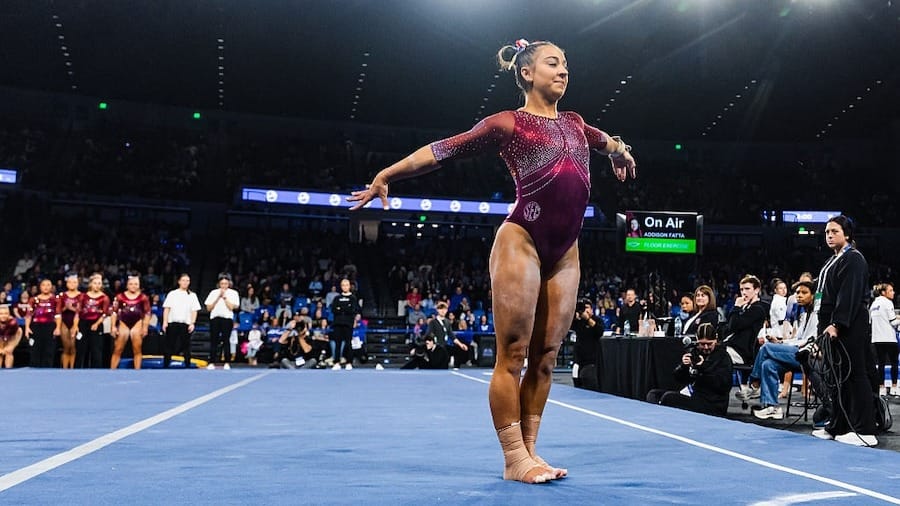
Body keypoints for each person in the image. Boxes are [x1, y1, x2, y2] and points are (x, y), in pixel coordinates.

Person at [348, 38, 636, 483]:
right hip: (522, 238)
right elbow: (442, 150)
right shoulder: (508, 124)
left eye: (566, 65)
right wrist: (386, 174)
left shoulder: (576, 124)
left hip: (567, 250)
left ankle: (531, 451)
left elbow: (607, 142)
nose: (564, 71)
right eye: (553, 63)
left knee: (546, 357)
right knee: (514, 354)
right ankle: (512, 457)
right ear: (526, 73)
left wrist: (622, 153)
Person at [811, 216, 877, 446]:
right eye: (827, 232)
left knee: (856, 374)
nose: (829, 235)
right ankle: (838, 425)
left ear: (847, 235)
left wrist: (837, 324)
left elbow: (848, 295)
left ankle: (865, 430)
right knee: (837, 379)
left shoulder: (854, 259)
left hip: (850, 325)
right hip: (831, 325)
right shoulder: (834, 260)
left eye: (834, 231)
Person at [736, 281, 818, 420]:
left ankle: (754, 384)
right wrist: (781, 342)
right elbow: (798, 338)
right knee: (768, 365)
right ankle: (772, 407)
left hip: (807, 355)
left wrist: (785, 345)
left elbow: (809, 340)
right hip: (796, 351)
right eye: (797, 293)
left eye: (804, 293)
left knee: (766, 347)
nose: (799, 296)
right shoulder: (803, 315)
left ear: (813, 295)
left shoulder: (817, 315)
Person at [646, 323, 733, 416]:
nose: (706, 347)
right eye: (702, 344)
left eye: (709, 344)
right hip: (694, 395)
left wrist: (702, 368)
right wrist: (684, 366)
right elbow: (679, 378)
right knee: (653, 394)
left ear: (715, 341)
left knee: (669, 398)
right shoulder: (695, 352)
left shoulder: (723, 357)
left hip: (713, 402)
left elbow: (723, 385)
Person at [720, 275, 767, 366]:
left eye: (747, 289)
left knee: (715, 357)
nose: (744, 292)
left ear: (756, 290)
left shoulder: (758, 309)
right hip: (730, 346)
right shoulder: (744, 307)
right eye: (741, 289)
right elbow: (728, 327)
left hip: (741, 352)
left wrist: (736, 306)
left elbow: (733, 326)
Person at [110, 276, 151, 369]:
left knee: (137, 349)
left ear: (139, 285)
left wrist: (145, 327)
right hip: (123, 322)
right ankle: (112, 371)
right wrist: (113, 326)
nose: (133, 286)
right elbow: (114, 312)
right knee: (118, 349)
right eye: (131, 284)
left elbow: (147, 313)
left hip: (137, 322)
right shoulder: (120, 297)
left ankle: (137, 371)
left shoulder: (143, 297)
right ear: (127, 285)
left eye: (136, 284)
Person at [162, 273, 202, 369]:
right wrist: (165, 322)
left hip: (185, 323)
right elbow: (167, 308)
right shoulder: (172, 294)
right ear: (179, 281)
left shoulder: (192, 295)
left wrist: (192, 323)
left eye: (187, 281)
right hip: (173, 322)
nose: (185, 282)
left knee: (186, 346)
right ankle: (166, 364)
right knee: (169, 345)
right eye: (183, 280)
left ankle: (187, 364)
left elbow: (194, 310)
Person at [870, 283, 900, 396]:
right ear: (884, 292)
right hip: (889, 338)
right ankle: (894, 387)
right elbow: (893, 322)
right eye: (891, 290)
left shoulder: (873, 304)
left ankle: (881, 388)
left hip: (877, 339)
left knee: (881, 363)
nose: (893, 292)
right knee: (894, 363)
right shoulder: (888, 303)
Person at [205, 274, 240, 369]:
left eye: (226, 283)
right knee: (214, 340)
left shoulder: (233, 293)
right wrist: (217, 297)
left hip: (227, 318)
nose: (224, 285)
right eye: (222, 283)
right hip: (215, 318)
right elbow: (208, 308)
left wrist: (224, 297)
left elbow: (232, 307)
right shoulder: (213, 292)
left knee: (226, 340)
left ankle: (227, 362)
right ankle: (212, 362)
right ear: (219, 284)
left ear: (229, 284)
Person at [77, 274, 111, 368]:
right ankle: (79, 369)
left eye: (99, 283)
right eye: (95, 283)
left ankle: (97, 370)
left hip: (97, 323)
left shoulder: (104, 298)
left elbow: (105, 313)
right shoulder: (83, 296)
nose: (97, 285)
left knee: (96, 348)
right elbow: (78, 312)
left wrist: (96, 323)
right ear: (90, 284)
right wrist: (76, 325)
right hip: (83, 323)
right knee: (81, 348)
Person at [26, 279, 59, 368]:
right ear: (40, 287)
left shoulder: (55, 299)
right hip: (36, 326)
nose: (46, 287)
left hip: (50, 326)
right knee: (35, 348)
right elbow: (29, 315)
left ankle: (47, 369)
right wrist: (27, 328)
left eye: (48, 285)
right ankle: (34, 368)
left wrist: (58, 327)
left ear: (51, 287)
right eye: (43, 285)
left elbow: (58, 314)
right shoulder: (33, 299)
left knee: (49, 349)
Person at [571, 298, 603, 390]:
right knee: (577, 386)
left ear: (591, 309)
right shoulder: (577, 321)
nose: (585, 310)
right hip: (578, 361)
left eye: (587, 308)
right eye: (583, 308)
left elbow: (599, 331)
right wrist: (575, 315)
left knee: (590, 386)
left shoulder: (597, 320)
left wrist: (588, 319)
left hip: (591, 362)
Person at [328, 278, 359, 370]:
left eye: (346, 285)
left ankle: (349, 362)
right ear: (341, 287)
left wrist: (341, 309)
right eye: (343, 285)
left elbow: (352, 310)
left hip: (348, 323)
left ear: (349, 286)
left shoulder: (353, 298)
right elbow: (334, 309)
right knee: (338, 343)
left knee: (348, 343)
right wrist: (344, 309)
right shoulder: (337, 298)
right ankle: (336, 362)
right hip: (338, 323)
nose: (345, 287)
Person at [54, 274, 82, 369]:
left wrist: (72, 308)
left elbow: (82, 311)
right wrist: (66, 307)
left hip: (76, 322)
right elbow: (57, 311)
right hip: (64, 322)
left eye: (74, 282)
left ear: (78, 284)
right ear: (67, 284)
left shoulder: (82, 296)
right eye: (70, 282)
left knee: (73, 347)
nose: (72, 284)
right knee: (66, 347)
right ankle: (65, 369)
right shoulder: (62, 296)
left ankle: (72, 368)